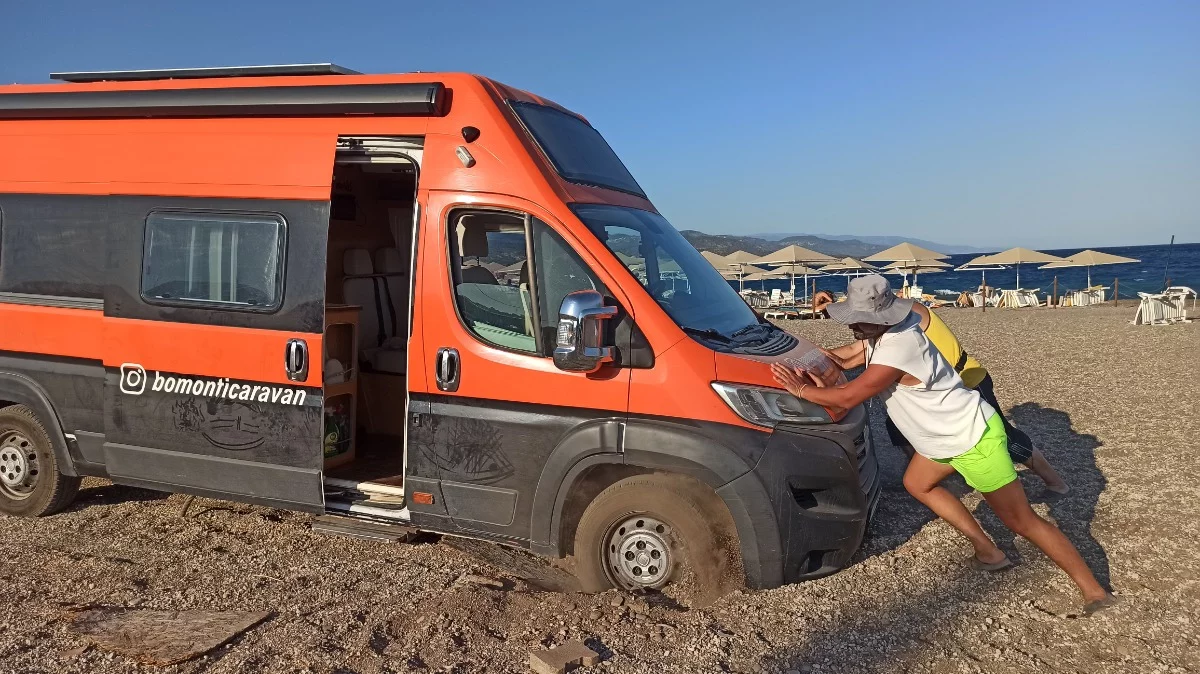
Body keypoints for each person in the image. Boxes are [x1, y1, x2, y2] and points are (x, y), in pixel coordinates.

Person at [773, 276, 1116, 614]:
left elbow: (847, 397)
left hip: (971, 438)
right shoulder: (887, 331)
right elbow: (845, 360)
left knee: (1022, 521)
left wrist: (801, 391)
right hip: (943, 440)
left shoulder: (900, 346)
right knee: (917, 483)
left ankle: (1094, 591)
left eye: (857, 321)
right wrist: (791, 348)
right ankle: (987, 550)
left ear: (879, 319)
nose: (852, 327)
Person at [811, 289, 1068, 495]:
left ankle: (1055, 482)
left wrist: (829, 366)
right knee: (900, 428)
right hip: (935, 390)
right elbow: (858, 351)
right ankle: (939, 480)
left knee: (1007, 439)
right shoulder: (881, 326)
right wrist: (814, 357)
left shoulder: (911, 313)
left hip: (966, 380)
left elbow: (862, 357)